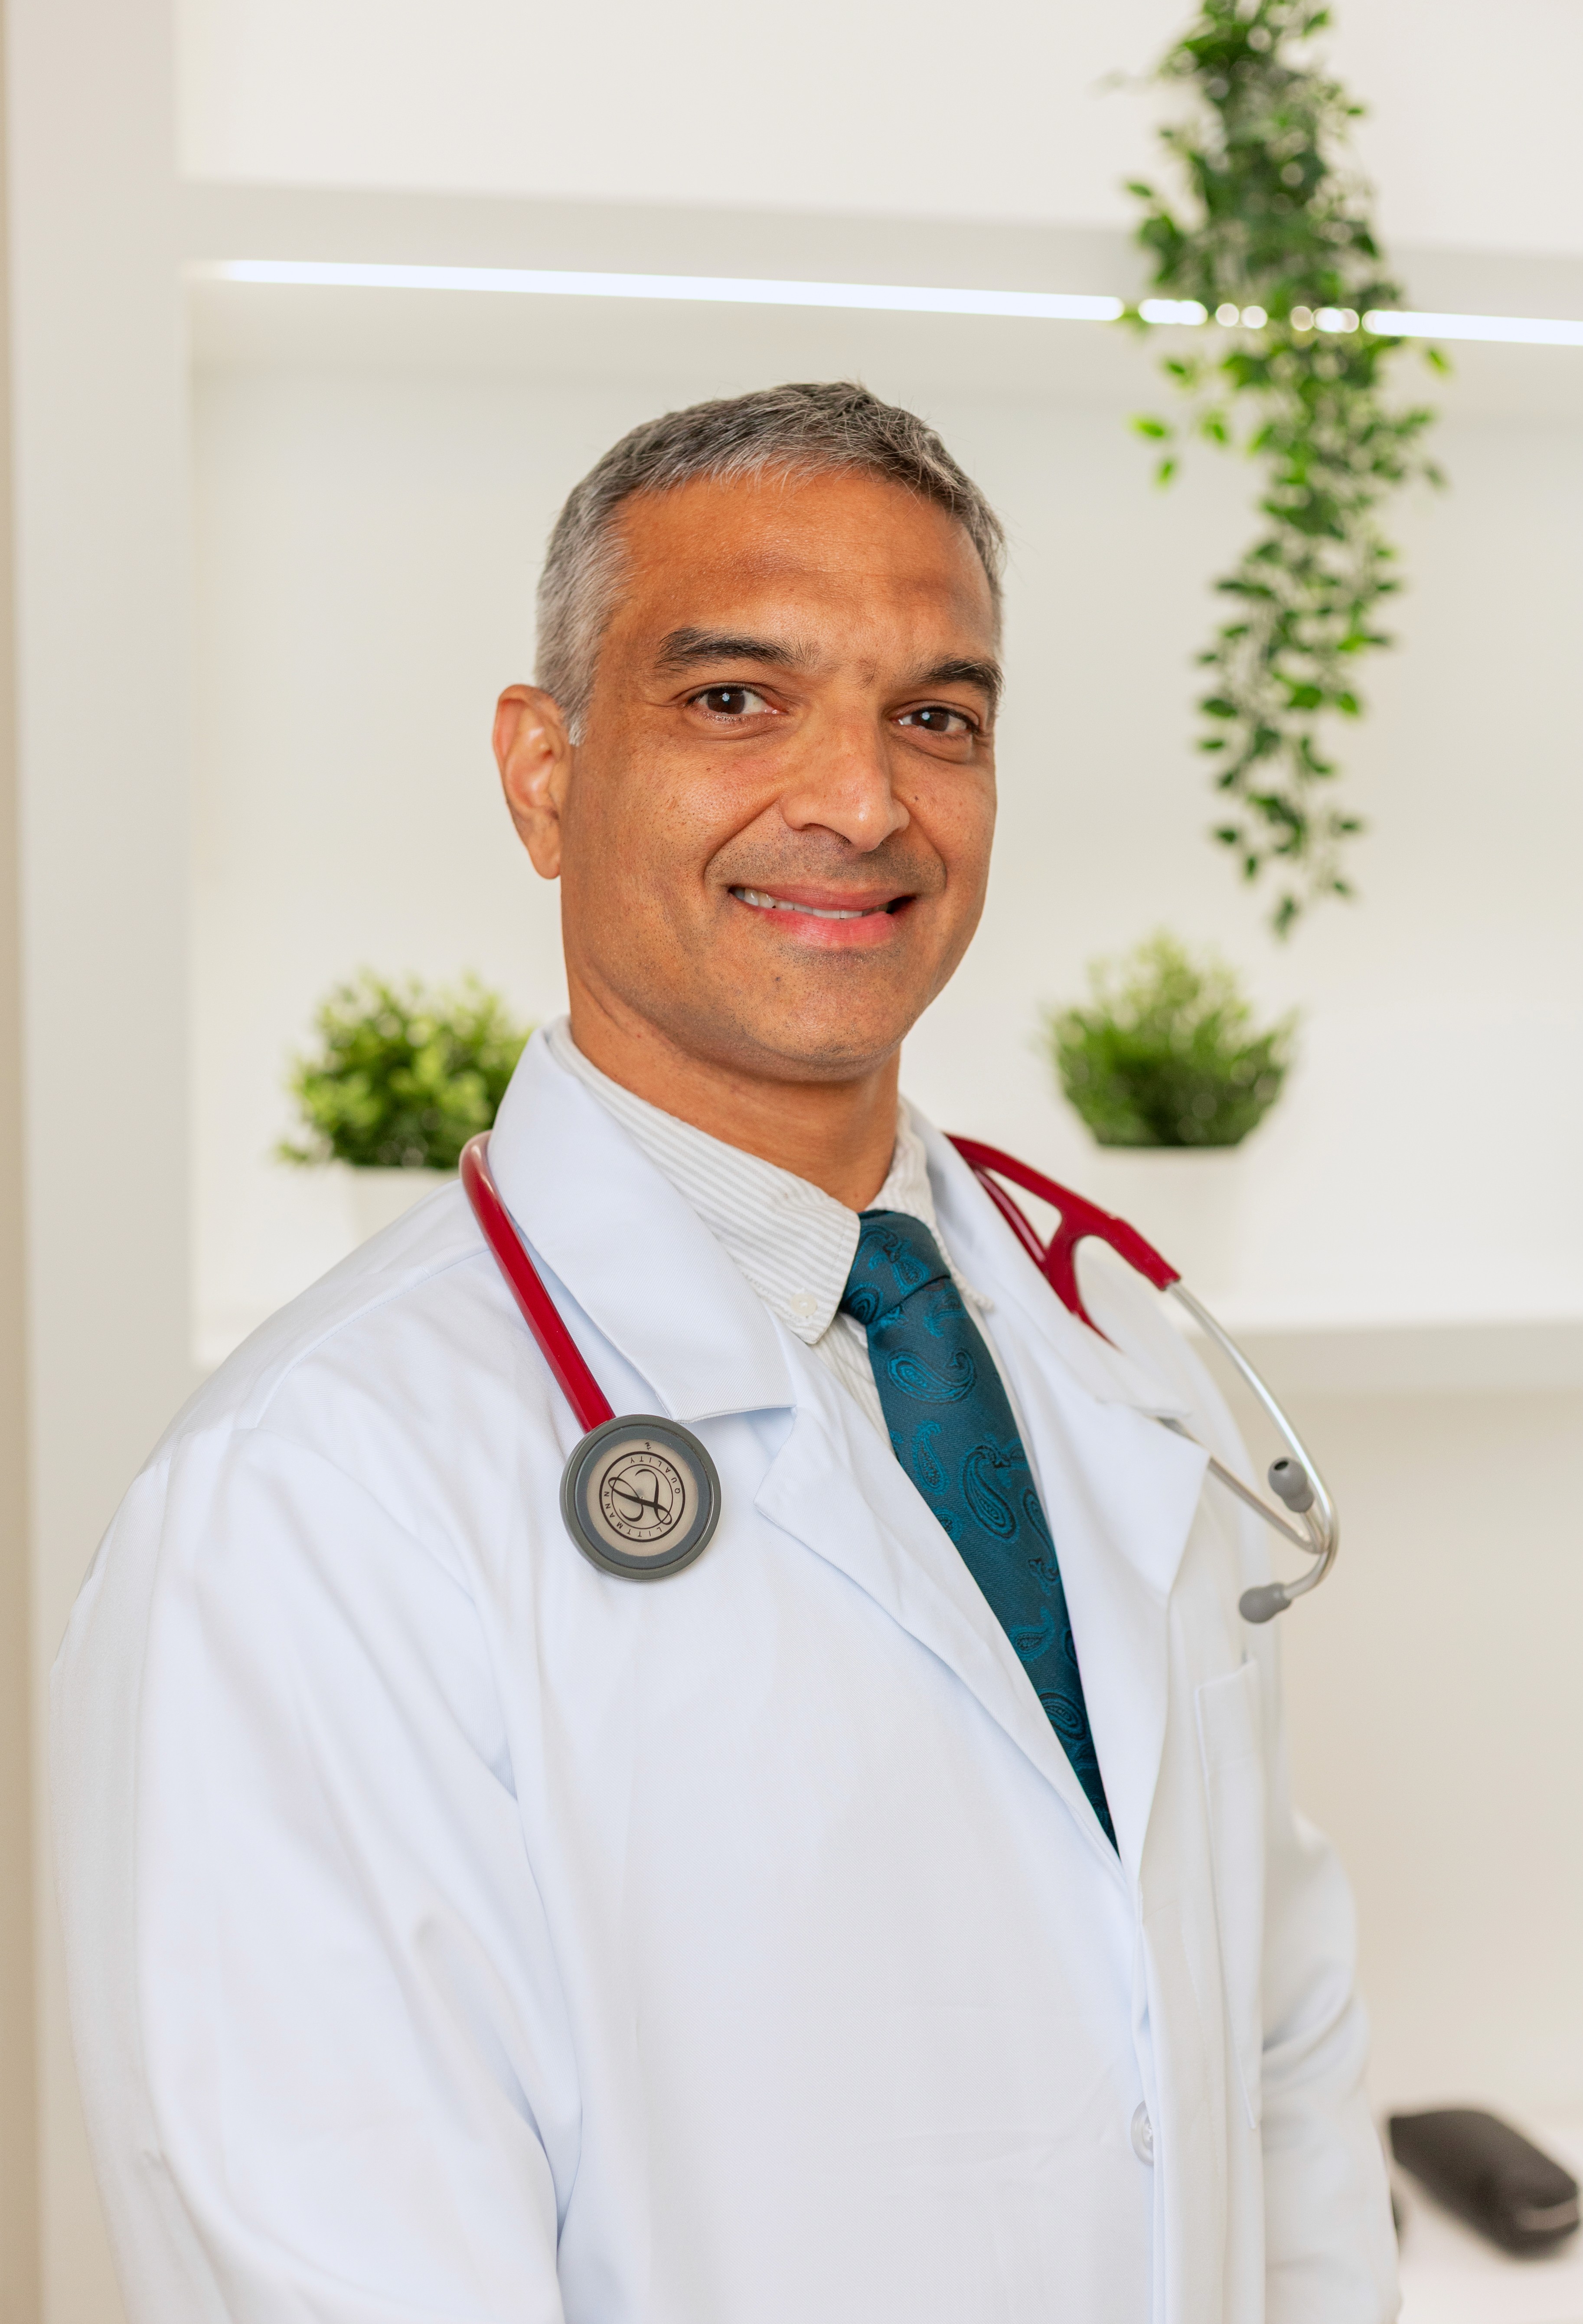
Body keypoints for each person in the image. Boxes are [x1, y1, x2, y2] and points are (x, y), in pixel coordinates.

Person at [53, 381, 1397, 2322]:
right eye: (735, 699)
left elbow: (1272, 2049)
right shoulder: (307, 1506)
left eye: (935, 716)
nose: (860, 801)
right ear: (541, 771)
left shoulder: (1104, 1360)